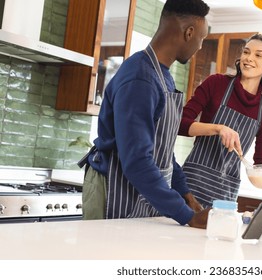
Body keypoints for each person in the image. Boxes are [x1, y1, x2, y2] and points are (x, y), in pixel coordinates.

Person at [79, 0, 210, 229]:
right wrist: (187, 216)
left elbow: (163, 149)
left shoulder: (162, 75)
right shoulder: (141, 79)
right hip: (113, 189)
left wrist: (185, 193)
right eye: (202, 38)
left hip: (135, 190)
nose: (200, 46)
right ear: (189, 33)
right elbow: (137, 161)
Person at [178, 33, 262, 208]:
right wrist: (218, 128)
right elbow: (180, 124)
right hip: (190, 187)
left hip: (224, 197)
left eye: (258, 55)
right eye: (246, 52)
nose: (249, 58)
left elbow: (259, 163)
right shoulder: (216, 84)